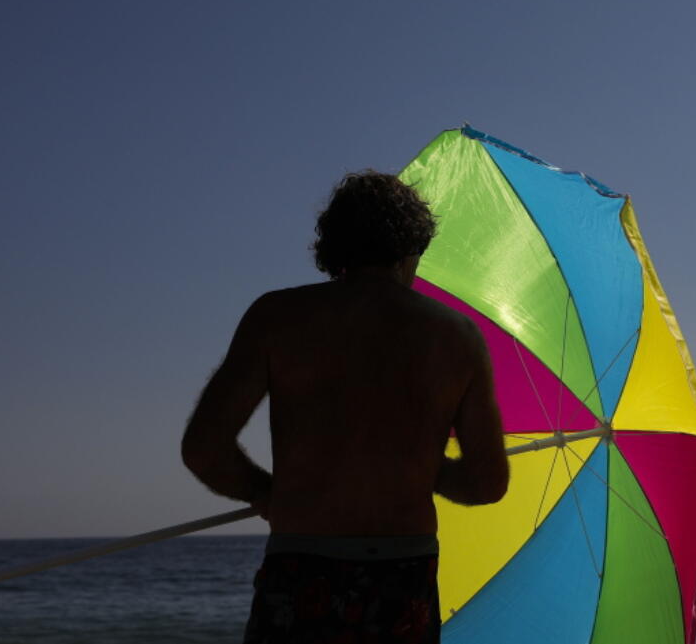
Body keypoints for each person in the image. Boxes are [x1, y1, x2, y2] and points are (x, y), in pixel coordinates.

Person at [182, 170, 509, 643]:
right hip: (403, 575)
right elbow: (486, 483)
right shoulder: (457, 338)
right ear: (410, 250)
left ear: (334, 247)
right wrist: (421, 465)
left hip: (299, 567)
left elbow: (204, 449)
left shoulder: (276, 318)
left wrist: (266, 493)